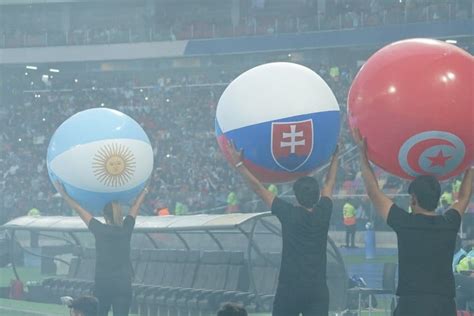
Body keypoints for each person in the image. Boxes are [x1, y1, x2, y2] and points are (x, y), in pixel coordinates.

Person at [354, 129, 473, 316]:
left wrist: (362, 154)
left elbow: (373, 191)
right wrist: (469, 161)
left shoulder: (405, 223)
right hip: (443, 305)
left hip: (412, 305)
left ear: (413, 199)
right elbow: (465, 196)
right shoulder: (449, 223)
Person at [226, 141, 339, 316]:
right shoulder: (324, 212)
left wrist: (239, 163)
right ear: (318, 196)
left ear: (296, 196)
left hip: (290, 289)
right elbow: (330, 182)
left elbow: (258, 188)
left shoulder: (288, 213)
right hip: (317, 290)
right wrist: (335, 157)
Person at [55, 183, 149, 316]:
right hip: (123, 284)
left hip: (103, 284)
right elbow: (135, 207)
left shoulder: (99, 229)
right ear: (120, 213)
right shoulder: (126, 229)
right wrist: (144, 190)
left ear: (105, 216)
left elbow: (79, 209)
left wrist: (63, 194)